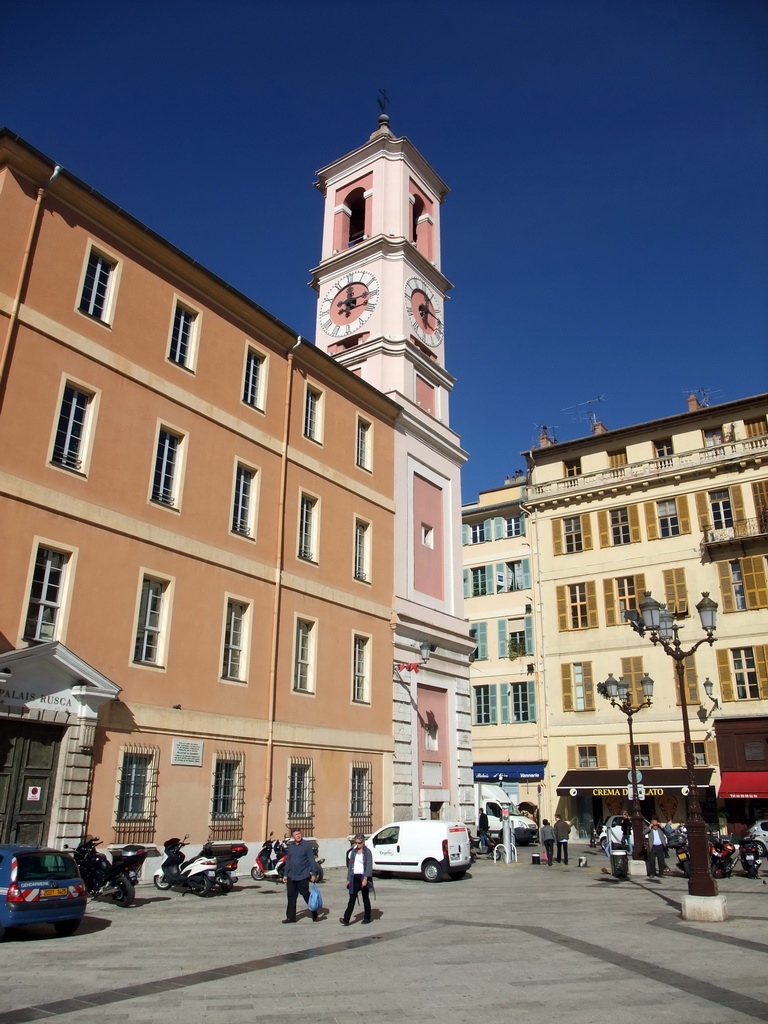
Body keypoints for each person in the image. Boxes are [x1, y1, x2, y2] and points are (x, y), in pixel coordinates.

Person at [281, 828, 319, 923]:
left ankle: (313, 910)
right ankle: (290, 917)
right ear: (293, 837)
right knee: (291, 896)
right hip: (291, 876)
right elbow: (288, 860)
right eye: (295, 834)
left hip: (303, 875)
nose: (298, 836)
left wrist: (313, 873)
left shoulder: (306, 845)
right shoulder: (292, 846)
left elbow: (311, 860)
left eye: (299, 834)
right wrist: (285, 874)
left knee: (305, 894)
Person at [340, 834, 373, 926]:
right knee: (352, 898)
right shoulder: (354, 852)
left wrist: (366, 878)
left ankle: (367, 917)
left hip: (363, 877)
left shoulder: (367, 852)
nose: (358, 844)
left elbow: (369, 866)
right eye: (356, 843)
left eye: (359, 843)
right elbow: (351, 866)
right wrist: (348, 879)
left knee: (365, 898)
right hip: (354, 877)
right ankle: (346, 919)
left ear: (363, 842)